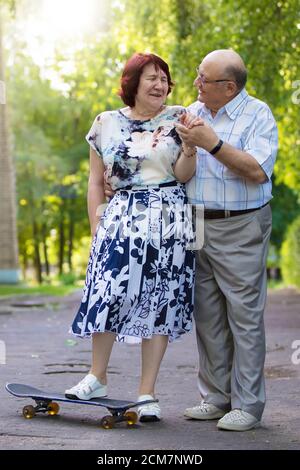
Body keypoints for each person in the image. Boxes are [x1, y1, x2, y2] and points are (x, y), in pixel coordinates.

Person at [65, 53, 196, 422]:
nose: (160, 85)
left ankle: (146, 393)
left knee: (160, 300)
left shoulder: (179, 117)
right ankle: (97, 376)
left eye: (164, 79)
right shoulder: (105, 122)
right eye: (152, 78)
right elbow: (95, 180)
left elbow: (184, 174)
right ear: (132, 83)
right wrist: (96, 227)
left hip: (168, 215)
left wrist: (189, 147)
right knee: (107, 290)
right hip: (120, 213)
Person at [175, 49, 278, 431]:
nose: (196, 84)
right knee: (208, 315)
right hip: (197, 224)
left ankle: (248, 405)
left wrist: (212, 144)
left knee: (244, 316)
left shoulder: (258, 115)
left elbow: (256, 171)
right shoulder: (192, 111)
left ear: (229, 86)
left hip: (241, 225)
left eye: (204, 78)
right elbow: (178, 171)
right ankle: (216, 397)